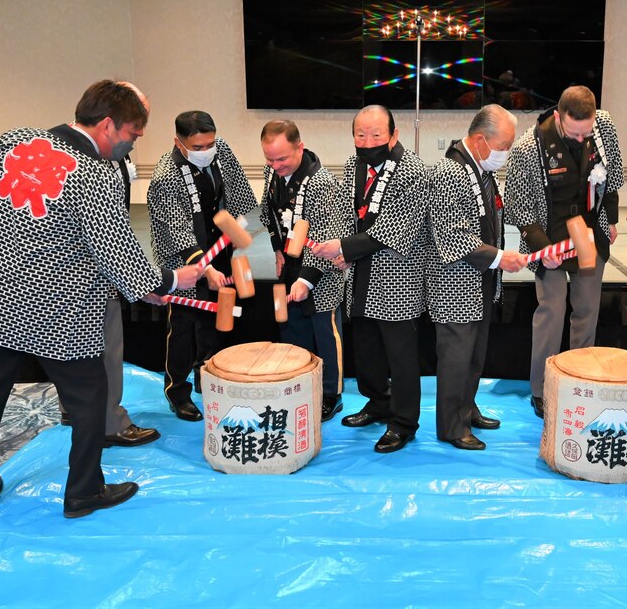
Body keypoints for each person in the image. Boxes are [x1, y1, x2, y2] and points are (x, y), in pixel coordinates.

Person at [0, 80, 201, 518]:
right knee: (88, 398)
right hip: (58, 310)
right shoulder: (93, 174)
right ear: (107, 125)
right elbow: (120, 255)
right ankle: (84, 491)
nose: (132, 147)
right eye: (132, 136)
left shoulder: (12, 142)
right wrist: (173, 279)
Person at [311, 105, 427, 453]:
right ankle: (378, 403)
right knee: (367, 350)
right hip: (358, 276)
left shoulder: (413, 171)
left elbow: (396, 229)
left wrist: (344, 248)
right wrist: (341, 252)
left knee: (401, 356)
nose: (368, 141)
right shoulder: (353, 165)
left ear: (394, 135)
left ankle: (404, 422)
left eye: (376, 135)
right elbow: (345, 213)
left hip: (397, 278)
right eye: (360, 135)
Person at [504, 85, 624, 418]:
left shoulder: (604, 126)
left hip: (589, 229)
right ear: (558, 116)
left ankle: (579, 379)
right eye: (573, 132)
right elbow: (517, 204)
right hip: (549, 231)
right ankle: (541, 389)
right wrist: (543, 248)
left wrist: (611, 220)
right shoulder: (530, 146)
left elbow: (611, 175)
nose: (580, 138)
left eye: (586, 132)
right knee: (552, 310)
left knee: (587, 308)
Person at [57, 81, 159, 448]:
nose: (137, 138)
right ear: (108, 123)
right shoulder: (93, 166)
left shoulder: (27, 146)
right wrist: (154, 283)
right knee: (101, 349)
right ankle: (105, 428)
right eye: (134, 130)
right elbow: (109, 237)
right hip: (85, 282)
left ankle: (79, 412)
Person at [147, 110, 258, 421]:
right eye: (197, 147)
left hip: (217, 246)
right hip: (183, 259)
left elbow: (238, 195)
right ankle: (177, 391)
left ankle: (208, 379)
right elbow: (178, 230)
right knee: (182, 325)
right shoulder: (165, 177)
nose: (205, 151)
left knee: (214, 320)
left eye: (208, 144)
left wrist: (237, 232)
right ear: (179, 143)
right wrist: (203, 267)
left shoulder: (219, 148)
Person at [427, 105, 527, 450]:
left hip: (480, 279)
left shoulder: (481, 168)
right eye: (505, 145)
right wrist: (501, 257)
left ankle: (467, 408)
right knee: (456, 357)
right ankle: (451, 426)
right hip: (454, 283)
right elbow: (452, 235)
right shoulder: (449, 172)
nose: (506, 153)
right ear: (482, 140)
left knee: (474, 354)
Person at [258, 119, 346, 421]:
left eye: (282, 158)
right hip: (287, 264)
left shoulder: (322, 183)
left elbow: (326, 238)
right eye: (269, 158)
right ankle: (297, 386)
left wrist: (306, 281)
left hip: (320, 270)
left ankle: (331, 396)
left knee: (324, 333)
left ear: (300, 147)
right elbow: (268, 212)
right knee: (290, 327)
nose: (275, 164)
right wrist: (277, 249)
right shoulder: (271, 172)